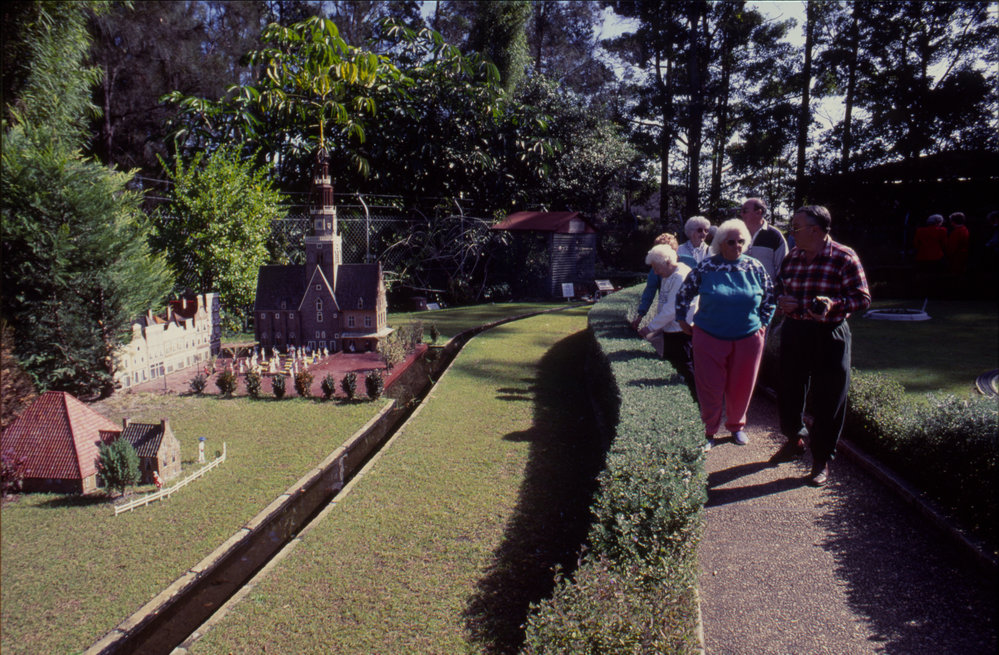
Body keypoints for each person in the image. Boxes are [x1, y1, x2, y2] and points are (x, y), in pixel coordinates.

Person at [770, 205, 871, 487]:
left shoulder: (844, 256)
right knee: (788, 391)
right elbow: (781, 287)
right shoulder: (793, 258)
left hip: (830, 334)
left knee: (830, 398)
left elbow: (863, 299)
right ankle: (794, 440)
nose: (792, 232)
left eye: (796, 227)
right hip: (795, 330)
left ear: (815, 230)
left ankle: (821, 460)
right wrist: (784, 300)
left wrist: (833, 305)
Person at [676, 219, 776, 449]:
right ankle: (709, 430)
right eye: (731, 242)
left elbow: (770, 298)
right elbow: (684, 293)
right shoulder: (706, 267)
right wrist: (682, 319)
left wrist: (763, 323)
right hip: (709, 336)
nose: (736, 246)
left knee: (742, 386)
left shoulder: (754, 267)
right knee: (709, 387)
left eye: (741, 241)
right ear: (720, 243)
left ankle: (736, 426)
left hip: (748, 337)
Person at [637, 244, 697, 402]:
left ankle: (698, 401)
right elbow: (663, 303)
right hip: (671, 330)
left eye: (657, 268)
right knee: (673, 364)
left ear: (668, 262)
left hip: (682, 331)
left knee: (686, 366)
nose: (655, 272)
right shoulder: (668, 275)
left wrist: (650, 327)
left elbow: (672, 309)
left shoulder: (681, 276)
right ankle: (678, 400)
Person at [631, 232, 680, 330]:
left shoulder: (685, 267)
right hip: (667, 319)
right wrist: (640, 316)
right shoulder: (655, 271)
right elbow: (649, 292)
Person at [740, 197, 787, 281]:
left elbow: (783, 268)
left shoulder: (775, 235)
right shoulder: (738, 234)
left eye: (745, 211)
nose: (741, 214)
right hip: (741, 290)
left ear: (758, 212)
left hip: (767, 291)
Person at [946, 212, 969, 277]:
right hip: (963, 255)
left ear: (953, 221)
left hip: (957, 257)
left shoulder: (957, 232)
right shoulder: (965, 229)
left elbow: (952, 246)